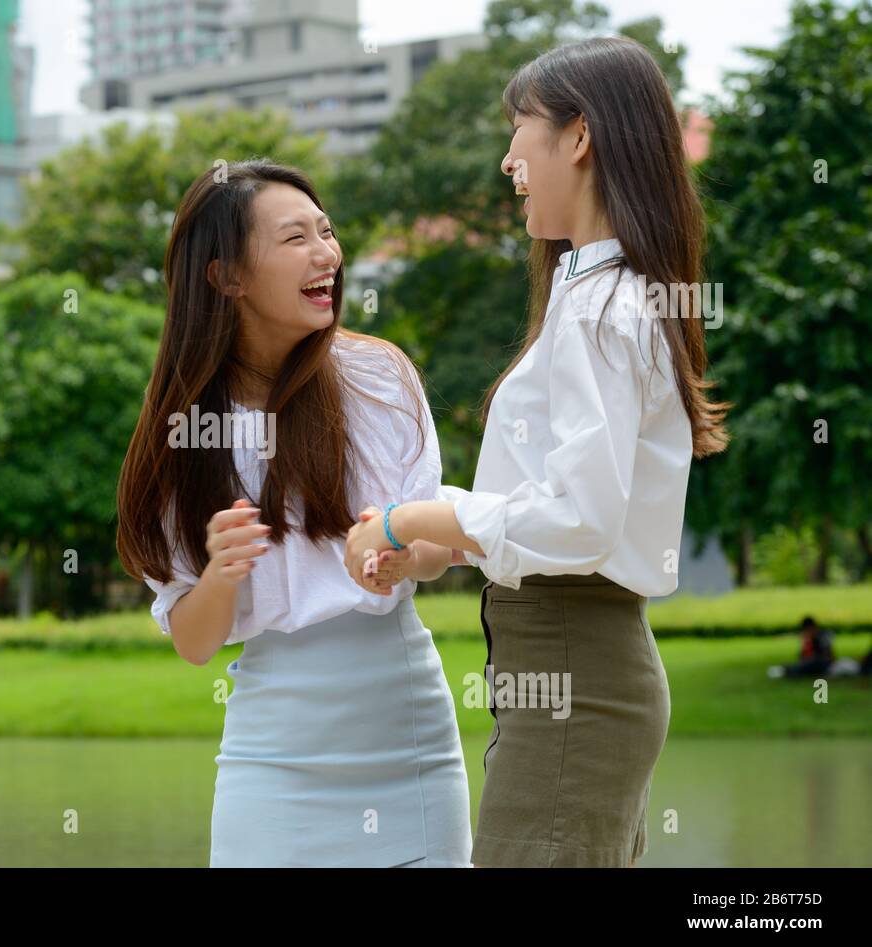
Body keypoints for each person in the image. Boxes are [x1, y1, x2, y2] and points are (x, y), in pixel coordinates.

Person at [344, 37, 730, 867]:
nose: (508, 156)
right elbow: (555, 504)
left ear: (579, 136)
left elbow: (580, 522)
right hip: (571, 677)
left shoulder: (601, 309)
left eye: (521, 125)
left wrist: (406, 515)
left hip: (575, 677)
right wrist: (433, 544)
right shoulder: (597, 295)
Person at [115, 160, 472, 867]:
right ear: (226, 277)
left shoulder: (380, 378)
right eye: (295, 238)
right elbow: (193, 642)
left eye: (327, 232)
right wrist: (220, 572)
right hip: (273, 763)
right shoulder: (186, 435)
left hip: (409, 741)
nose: (327, 254)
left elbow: (438, 544)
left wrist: (408, 552)